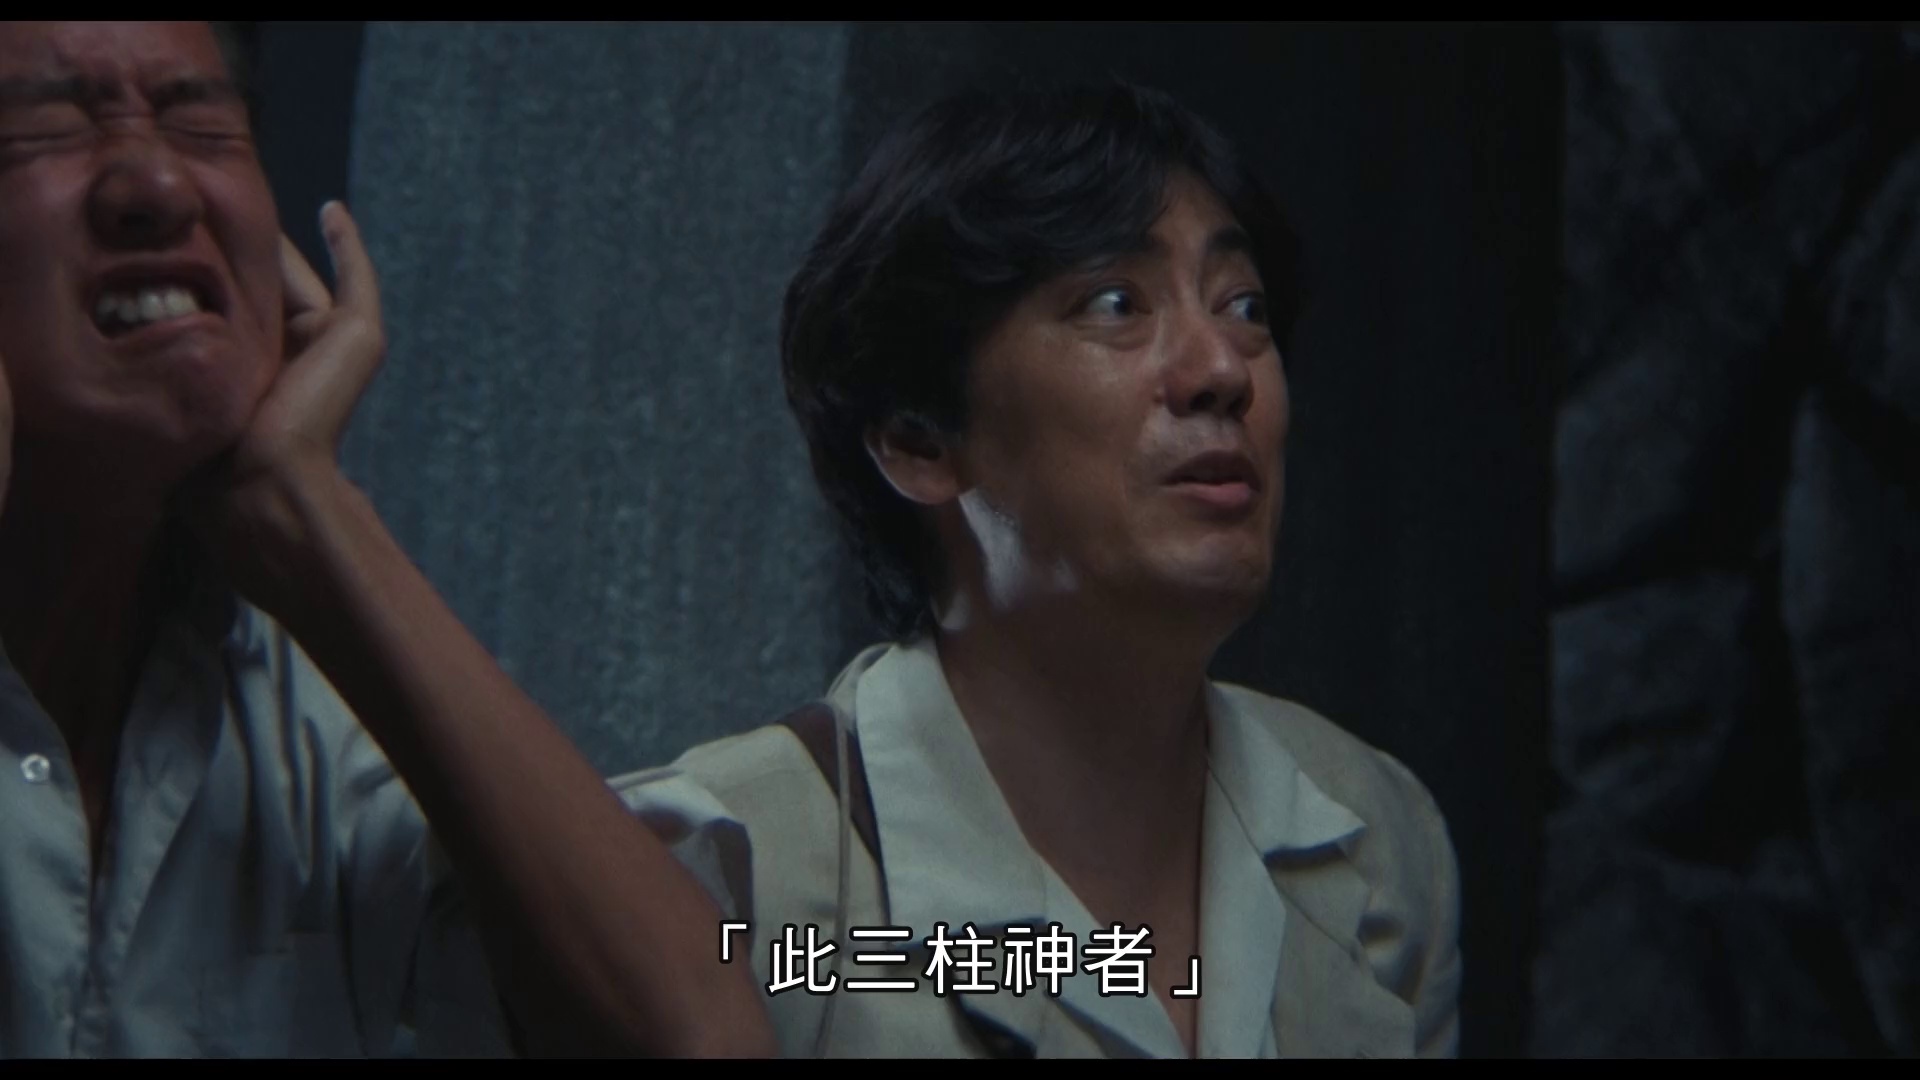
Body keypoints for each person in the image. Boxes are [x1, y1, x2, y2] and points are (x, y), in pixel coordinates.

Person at [616, 81, 1463, 1058]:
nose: (1223, 370)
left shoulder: (1373, 833)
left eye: (1245, 307)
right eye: (1116, 303)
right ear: (919, 439)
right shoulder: (723, 866)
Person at [0, 20, 774, 1058]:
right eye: (45, 126)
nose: (159, 185)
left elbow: (698, 1037)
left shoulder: (306, 715)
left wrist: (302, 502)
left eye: (200, 120)